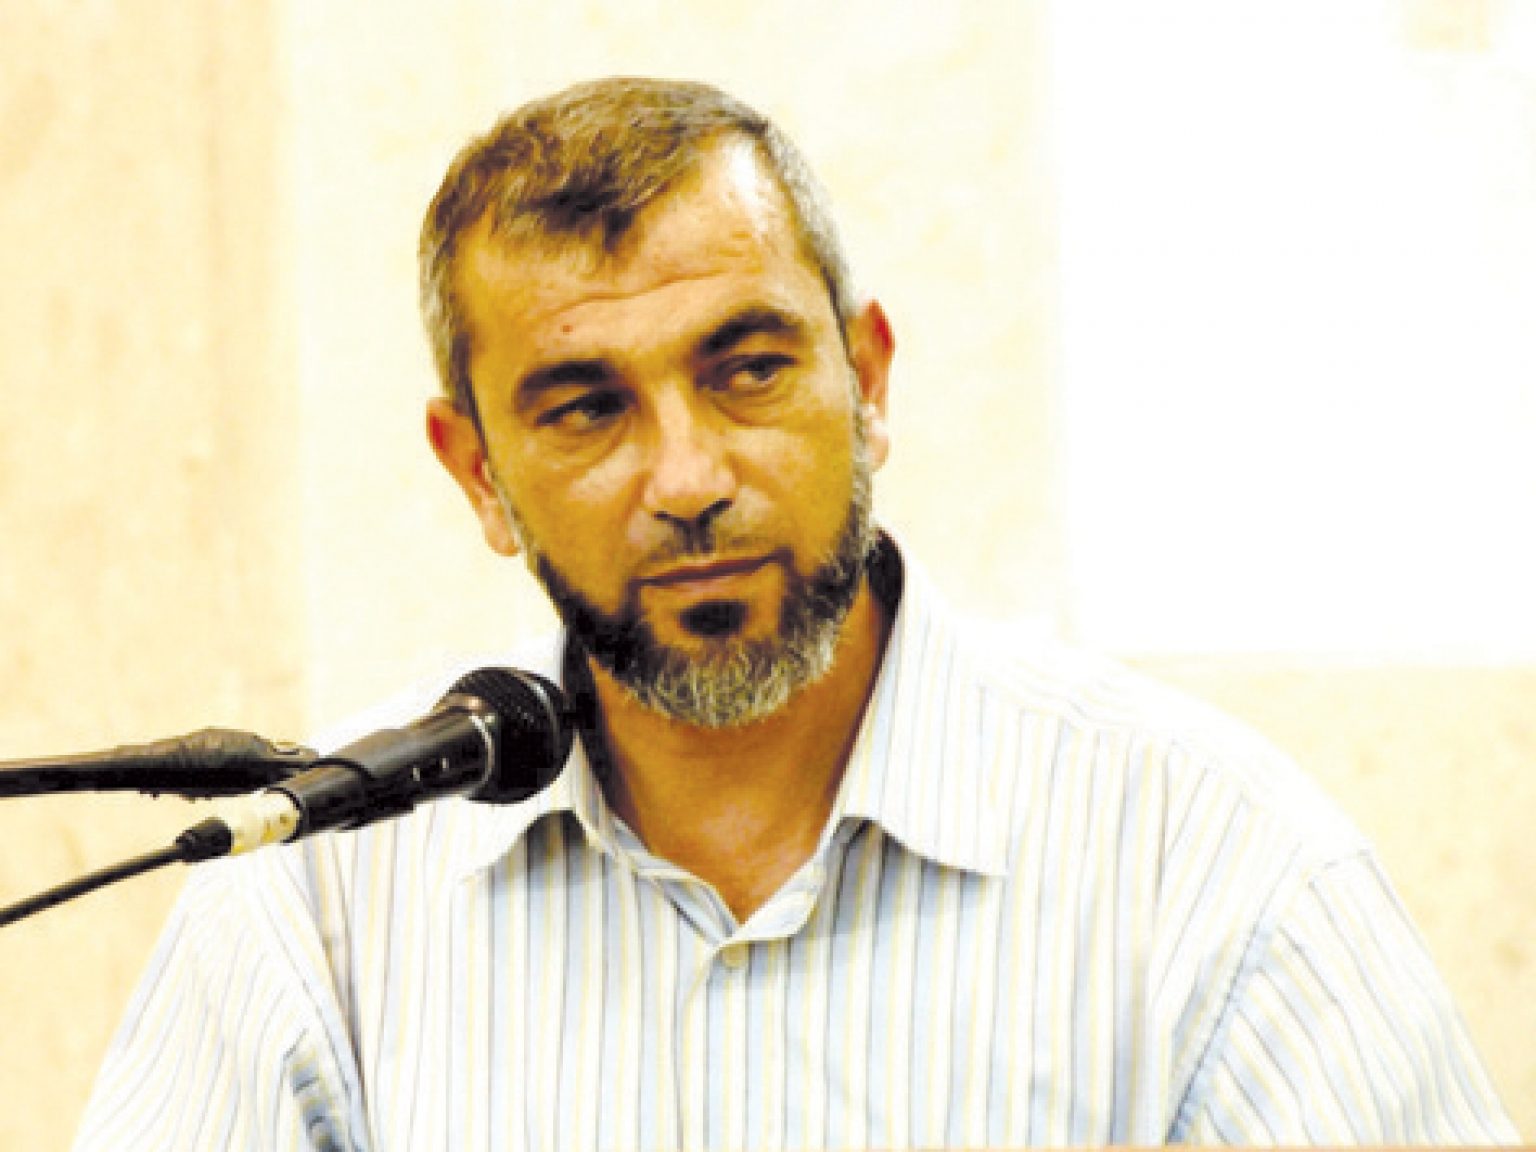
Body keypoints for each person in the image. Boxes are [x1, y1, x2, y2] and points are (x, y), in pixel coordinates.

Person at [76, 77, 1517, 1149]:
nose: (689, 480)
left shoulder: (1216, 868)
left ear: (867, 381)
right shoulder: (314, 906)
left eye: (749, 370)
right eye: (585, 409)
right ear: (480, 475)